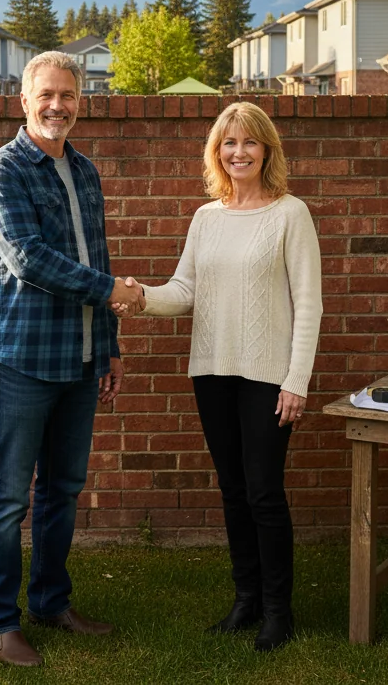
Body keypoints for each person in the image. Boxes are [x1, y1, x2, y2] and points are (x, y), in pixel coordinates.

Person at [128, 101, 322, 652]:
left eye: (249, 143)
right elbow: (185, 292)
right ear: (217, 152)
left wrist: (296, 381)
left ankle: (279, 611)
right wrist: (140, 298)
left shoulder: (290, 213)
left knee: (264, 493)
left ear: (266, 151)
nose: (238, 153)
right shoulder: (205, 218)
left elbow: (308, 305)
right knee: (233, 492)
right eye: (228, 144)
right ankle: (246, 600)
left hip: (267, 377)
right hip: (211, 372)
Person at [0, 50, 144, 668]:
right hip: (21, 359)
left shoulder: (86, 171)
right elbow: (27, 258)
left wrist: (110, 347)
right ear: (23, 100)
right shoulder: (1, 173)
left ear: (80, 102)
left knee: (63, 490)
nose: (57, 106)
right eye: (46, 95)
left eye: (67, 96)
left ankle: (49, 601)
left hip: (78, 359)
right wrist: (113, 292)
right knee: (9, 497)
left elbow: (94, 261)